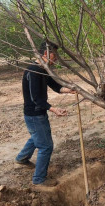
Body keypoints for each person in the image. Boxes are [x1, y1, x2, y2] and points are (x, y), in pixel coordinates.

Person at [16, 41, 75, 187]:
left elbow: (55, 86)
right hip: (34, 114)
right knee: (46, 146)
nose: (56, 59)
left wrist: (68, 90)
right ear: (46, 54)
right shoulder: (33, 72)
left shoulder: (43, 69)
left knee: (37, 136)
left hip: (38, 113)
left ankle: (22, 158)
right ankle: (39, 179)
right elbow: (36, 99)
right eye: (54, 56)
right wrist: (53, 109)